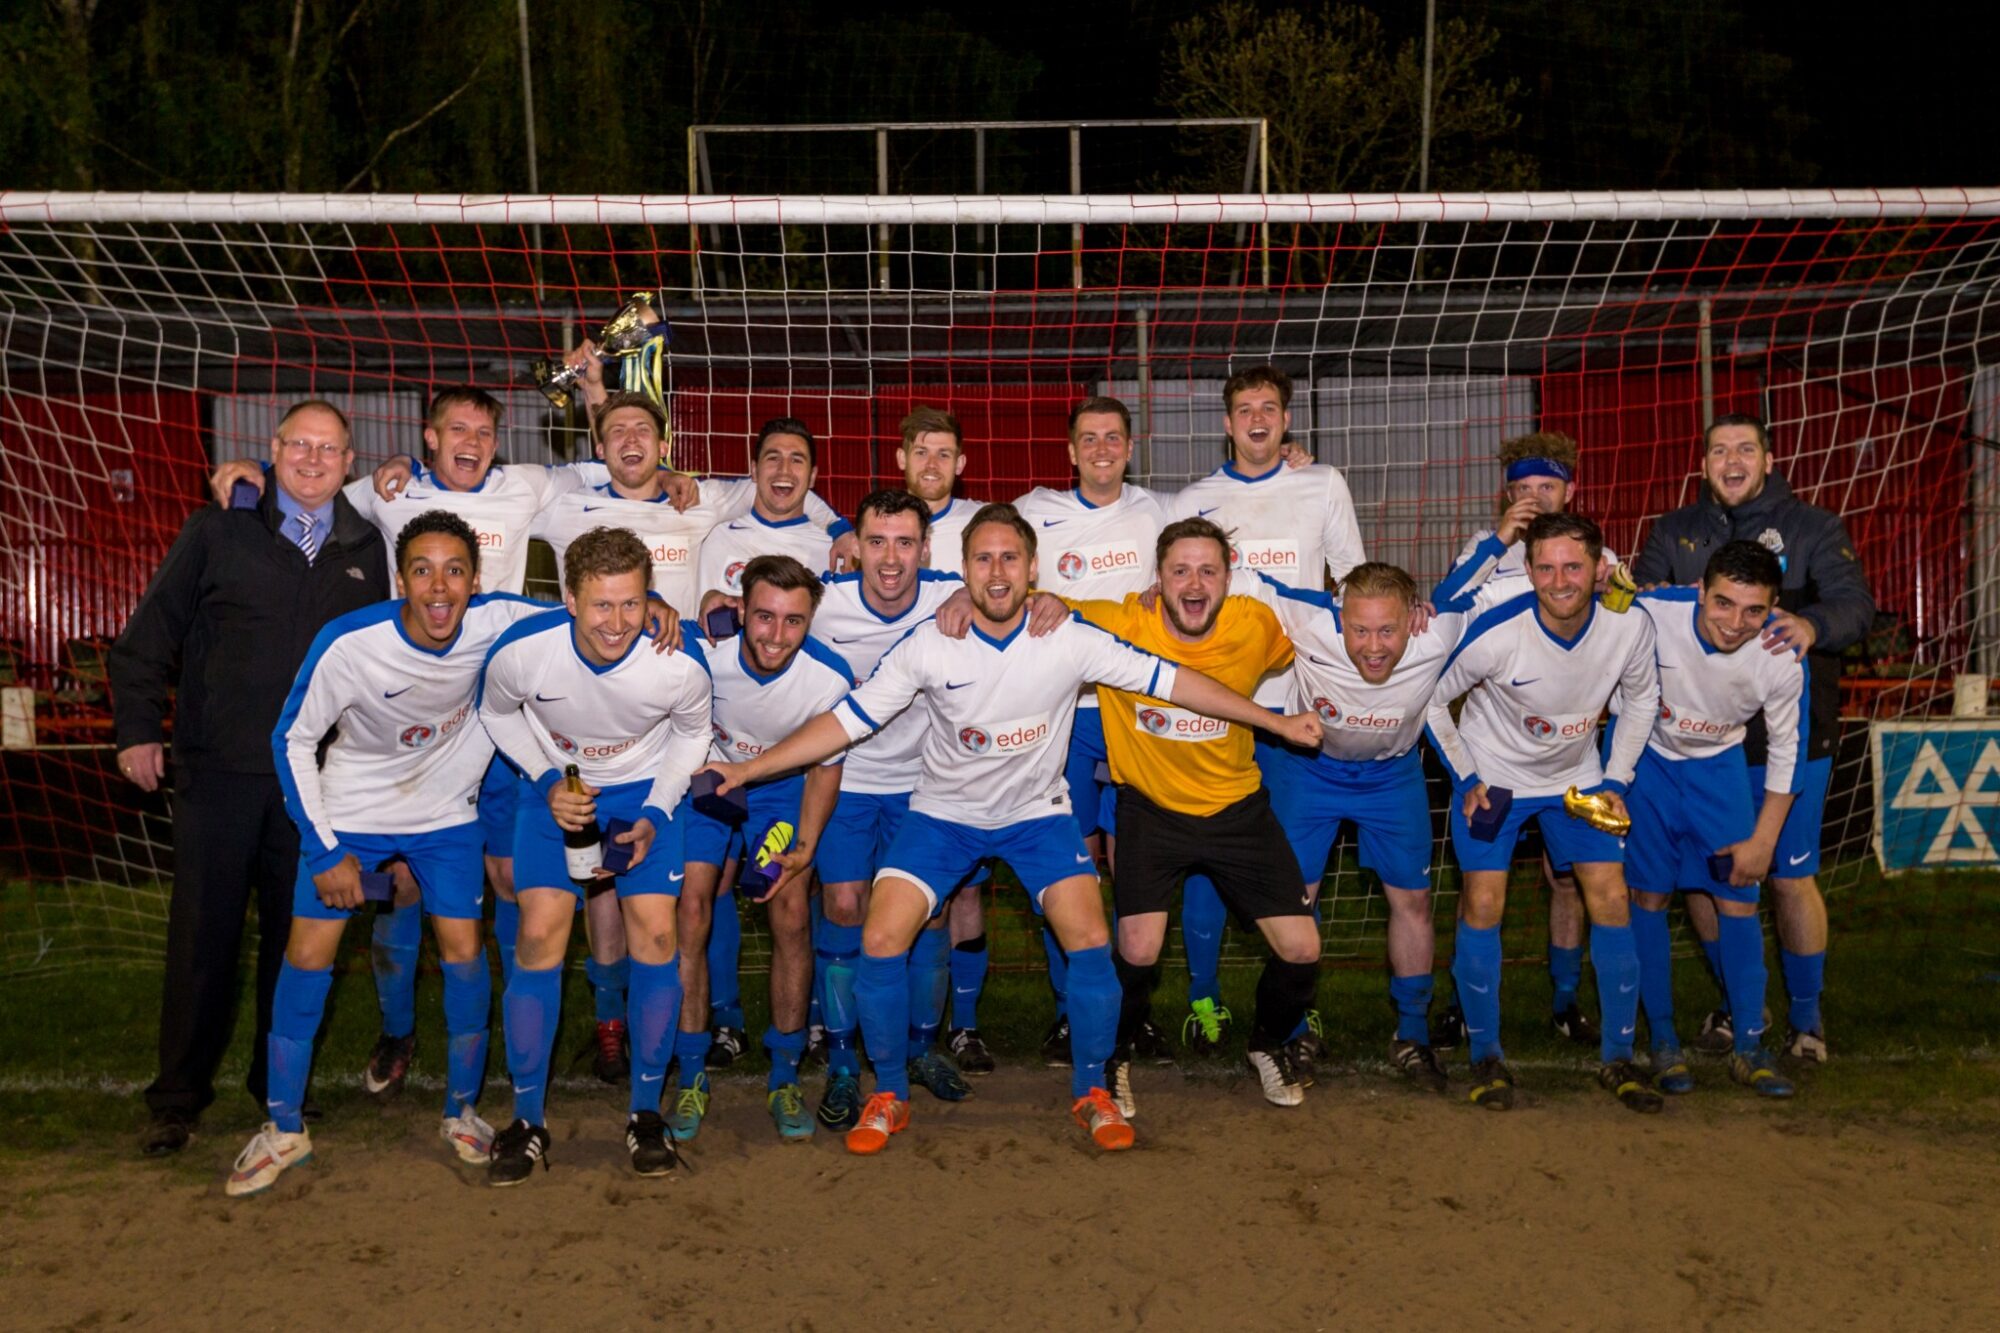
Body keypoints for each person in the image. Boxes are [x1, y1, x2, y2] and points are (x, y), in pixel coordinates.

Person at [700, 503, 1322, 1156]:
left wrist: (1274, 723)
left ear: (1032, 569)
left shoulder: (1071, 637)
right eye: (983, 558)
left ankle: (1092, 1090)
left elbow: (1179, 683)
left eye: (1009, 558)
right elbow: (846, 721)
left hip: (1037, 817)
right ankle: (889, 1094)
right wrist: (750, 769)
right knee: (881, 936)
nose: (996, 572)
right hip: (943, 816)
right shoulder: (930, 642)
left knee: (1089, 936)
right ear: (963, 568)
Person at [209, 388, 611, 1097]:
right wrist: (253, 472)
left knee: (510, 882)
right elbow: (309, 488)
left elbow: (602, 478)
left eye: (485, 430)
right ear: (428, 437)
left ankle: (517, 1053)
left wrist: (670, 480)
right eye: (457, 427)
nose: (472, 439)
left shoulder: (526, 485)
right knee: (395, 887)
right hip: (405, 732)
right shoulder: (385, 491)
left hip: (493, 720)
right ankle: (397, 1032)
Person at [227, 511, 543, 1194]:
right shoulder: (350, 642)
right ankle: (284, 1127)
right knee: (308, 953)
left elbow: (584, 613)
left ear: (474, 579)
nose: (440, 586)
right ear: (401, 579)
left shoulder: (497, 620)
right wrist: (325, 848)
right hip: (353, 813)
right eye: (423, 570)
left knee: (464, 949)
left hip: (444, 816)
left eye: (454, 570)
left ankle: (460, 1111)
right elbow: (292, 740)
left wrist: (666, 611)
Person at [111, 399, 391, 1156]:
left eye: (327, 449)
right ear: (272, 451)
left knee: (295, 942)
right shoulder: (219, 530)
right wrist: (138, 730)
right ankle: (176, 1098)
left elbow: (379, 668)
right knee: (203, 939)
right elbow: (145, 641)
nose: (311, 459)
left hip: (313, 790)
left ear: (348, 461)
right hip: (219, 774)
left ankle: (280, 1093)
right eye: (298, 445)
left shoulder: (368, 548)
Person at [1634, 412, 1874, 1062]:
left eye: (1745, 449)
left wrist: (1810, 624)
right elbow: (1642, 597)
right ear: (1703, 462)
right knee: (1707, 882)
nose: (1731, 460)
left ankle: (1806, 1019)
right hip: (1699, 747)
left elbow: (1857, 606)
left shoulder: (1813, 525)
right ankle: (1744, 1003)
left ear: (1767, 460)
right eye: (1718, 450)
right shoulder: (1676, 529)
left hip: (1788, 739)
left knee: (1788, 876)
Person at [476, 527, 712, 1185]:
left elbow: (693, 734)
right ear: (571, 600)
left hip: (645, 795)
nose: (617, 622)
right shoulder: (524, 653)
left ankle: (644, 1112)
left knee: (658, 936)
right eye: (601, 605)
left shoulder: (678, 661)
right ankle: (526, 1121)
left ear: (649, 599)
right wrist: (547, 779)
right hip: (556, 792)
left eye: (631, 604)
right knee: (539, 935)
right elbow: (496, 712)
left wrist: (657, 812)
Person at [1066, 518, 1324, 1113]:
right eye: (1180, 570)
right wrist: (957, 593)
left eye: (1208, 570)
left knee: (1302, 948)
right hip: (1150, 810)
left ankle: (1265, 1046)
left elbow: (1334, 635)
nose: (1194, 582)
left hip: (1238, 807)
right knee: (1137, 948)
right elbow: (1034, 604)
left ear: (1230, 578)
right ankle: (1116, 1056)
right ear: (1157, 578)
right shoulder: (1120, 624)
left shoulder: (1255, 625)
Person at [1426, 513, 1663, 1112]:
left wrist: (1616, 779)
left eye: (1574, 566)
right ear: (1528, 571)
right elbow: (1428, 696)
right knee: (1484, 901)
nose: (1561, 580)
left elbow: (1641, 702)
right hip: (1497, 779)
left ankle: (1619, 1057)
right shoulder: (1499, 630)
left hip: (1577, 779)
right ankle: (1486, 1054)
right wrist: (1467, 775)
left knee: (1610, 896)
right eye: (1547, 567)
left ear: (1596, 568)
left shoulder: (1628, 627)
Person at [1167, 364, 1366, 1059]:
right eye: (1245, 408)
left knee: (1293, 863)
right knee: (1203, 861)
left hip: (1297, 707)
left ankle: (1294, 1004)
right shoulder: (1195, 501)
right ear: (1227, 423)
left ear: (1286, 421)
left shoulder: (1323, 484)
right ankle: (1204, 999)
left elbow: (1353, 584)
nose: (1257, 418)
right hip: (1218, 710)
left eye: (1270, 408)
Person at [1236, 555, 1490, 1094]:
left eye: (1388, 630)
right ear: (1337, 616)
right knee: (1295, 903)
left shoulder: (1439, 629)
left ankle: (1411, 1033)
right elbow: (1230, 574)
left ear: (1413, 619)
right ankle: (1295, 1032)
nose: (1374, 646)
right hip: (1311, 772)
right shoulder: (1308, 617)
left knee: (1414, 901)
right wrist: (1151, 589)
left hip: (1391, 778)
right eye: (1359, 629)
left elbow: (1499, 587)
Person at [1006, 397, 1176, 1068]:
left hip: (1136, 713)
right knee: (1071, 869)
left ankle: (1136, 1012)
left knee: (1137, 866)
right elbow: (986, 563)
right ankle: (1071, 1012)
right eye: (1088, 438)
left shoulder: (1160, 512)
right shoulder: (1034, 510)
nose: (1102, 448)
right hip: (1064, 718)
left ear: (1130, 447)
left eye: (1114, 437)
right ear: (1070, 451)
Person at [666, 556, 851, 1143]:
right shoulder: (705, 647)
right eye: (764, 617)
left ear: (810, 621)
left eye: (794, 622)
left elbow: (825, 768)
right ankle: (692, 1072)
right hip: (710, 782)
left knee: (791, 915)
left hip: (780, 792)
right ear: (740, 609)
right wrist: (653, 607)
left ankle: (783, 1075)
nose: (776, 635)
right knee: (691, 908)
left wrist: (807, 846)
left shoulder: (829, 677)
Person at [1441, 431, 1613, 1049]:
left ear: (1571, 490)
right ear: (1506, 496)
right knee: (1482, 890)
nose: (1537, 499)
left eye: (1547, 487)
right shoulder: (1486, 552)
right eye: (1523, 490)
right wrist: (1498, 543)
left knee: (1569, 881)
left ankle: (1566, 1003)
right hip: (1496, 755)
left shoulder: (1600, 562)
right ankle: (1468, 1007)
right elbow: (1439, 609)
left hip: (1570, 760)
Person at [801, 490, 966, 1129]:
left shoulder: (951, 594)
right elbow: (761, 615)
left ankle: (921, 1049)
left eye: (905, 543)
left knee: (930, 915)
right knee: (843, 908)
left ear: (926, 549)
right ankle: (844, 1063)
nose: (890, 558)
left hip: (926, 784)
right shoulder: (824, 604)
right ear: (854, 548)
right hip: (845, 779)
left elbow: (1021, 596)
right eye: (876, 541)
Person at [1624, 542, 1805, 1098]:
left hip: (1719, 768)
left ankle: (1749, 1047)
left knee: (1738, 900)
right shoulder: (1655, 612)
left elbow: (1785, 750)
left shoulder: (1779, 654)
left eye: (1754, 610)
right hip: (1647, 763)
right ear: (1700, 590)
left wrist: (1763, 840)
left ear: (1774, 607)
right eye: (1722, 603)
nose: (1735, 622)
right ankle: (1664, 1040)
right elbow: (1594, 614)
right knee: (1647, 899)